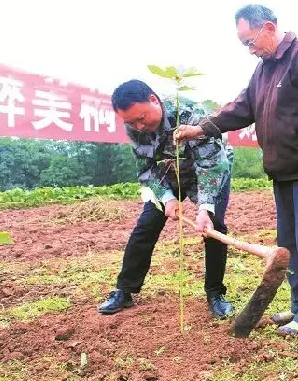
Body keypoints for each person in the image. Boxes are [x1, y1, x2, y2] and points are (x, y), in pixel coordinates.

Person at [174, 4, 298, 336]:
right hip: (282, 171)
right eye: (243, 45)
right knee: (290, 243)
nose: (249, 50)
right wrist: (202, 127)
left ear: (268, 27)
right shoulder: (263, 70)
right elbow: (242, 108)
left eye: (249, 42)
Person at [98, 80, 234, 319]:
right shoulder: (135, 127)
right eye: (130, 122)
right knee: (146, 225)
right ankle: (125, 289)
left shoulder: (191, 115)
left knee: (213, 228)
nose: (139, 126)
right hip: (169, 172)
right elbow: (146, 169)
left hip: (210, 169)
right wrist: (168, 198)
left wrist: (205, 208)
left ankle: (215, 293)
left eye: (142, 118)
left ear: (154, 100)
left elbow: (210, 164)